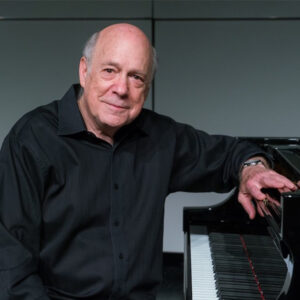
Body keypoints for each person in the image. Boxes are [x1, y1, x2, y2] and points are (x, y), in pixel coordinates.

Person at [0, 23, 297, 300]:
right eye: (109, 70)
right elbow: (10, 263)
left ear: (147, 87)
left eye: (136, 77)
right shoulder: (32, 139)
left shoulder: (160, 136)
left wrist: (251, 169)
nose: (121, 88)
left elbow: (232, 152)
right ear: (84, 70)